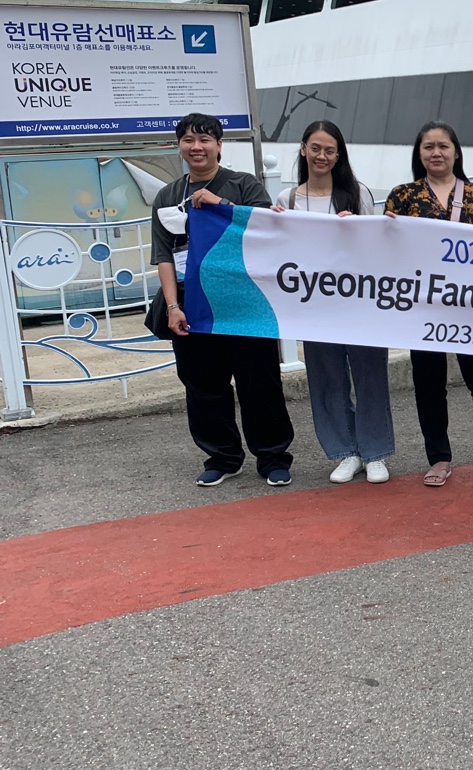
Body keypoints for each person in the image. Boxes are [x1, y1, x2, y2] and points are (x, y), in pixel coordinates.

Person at [150, 113, 295, 488]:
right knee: (203, 386)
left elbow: (266, 230)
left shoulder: (243, 184)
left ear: (219, 145)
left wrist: (220, 204)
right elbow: (163, 256)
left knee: (259, 384)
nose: (196, 147)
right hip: (194, 306)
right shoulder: (167, 196)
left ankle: (273, 457)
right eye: (188, 140)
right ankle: (222, 456)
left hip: (246, 304)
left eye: (205, 140)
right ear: (179, 146)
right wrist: (173, 307)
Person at [384, 123, 473, 487]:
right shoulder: (402, 196)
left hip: (472, 305)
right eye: (428, 146)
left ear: (456, 152)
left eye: (443, 146)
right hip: (423, 303)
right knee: (428, 382)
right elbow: (386, 248)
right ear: (419, 153)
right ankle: (439, 457)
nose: (436, 153)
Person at [275, 121, 393, 484]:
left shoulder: (357, 193)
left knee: (370, 374)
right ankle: (345, 451)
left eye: (329, 150)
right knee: (326, 377)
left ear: (339, 155)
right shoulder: (288, 199)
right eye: (315, 148)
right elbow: (280, 251)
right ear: (303, 149)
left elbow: (376, 246)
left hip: (358, 300)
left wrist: (357, 227)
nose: (321, 156)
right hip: (314, 303)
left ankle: (374, 452)